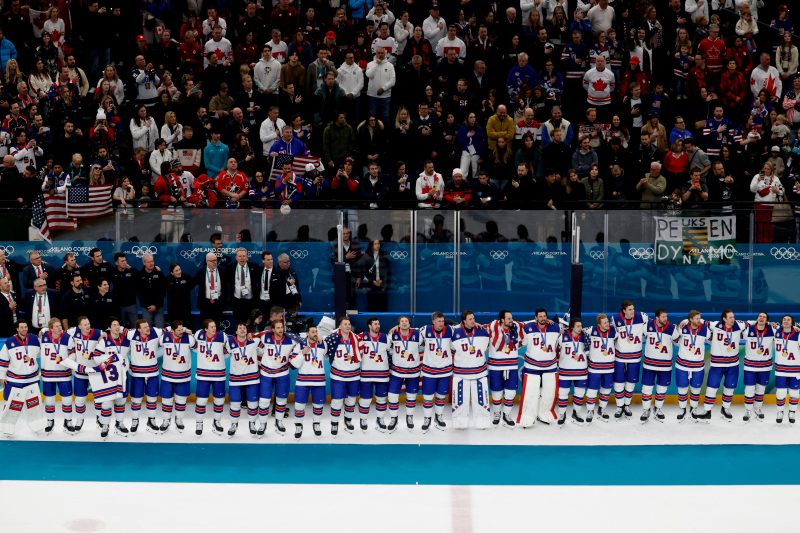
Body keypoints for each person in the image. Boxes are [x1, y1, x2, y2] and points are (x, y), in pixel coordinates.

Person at [695, 310, 748, 421]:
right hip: (717, 363)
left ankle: (725, 409)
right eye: (730, 317)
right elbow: (701, 321)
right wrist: (686, 320)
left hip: (733, 364)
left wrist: (770, 323)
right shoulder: (715, 325)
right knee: (711, 387)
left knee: (729, 387)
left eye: (733, 317)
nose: (733, 319)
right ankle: (707, 411)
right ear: (724, 319)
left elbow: (753, 322)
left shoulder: (739, 325)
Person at [519, 308, 561, 427]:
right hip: (532, 366)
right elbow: (517, 328)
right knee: (530, 393)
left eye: (544, 316)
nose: (543, 318)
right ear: (536, 318)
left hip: (550, 366)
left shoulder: (555, 327)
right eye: (540, 316)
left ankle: (544, 414)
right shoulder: (528, 327)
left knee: (549, 393)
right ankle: (528, 417)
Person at [61, 316, 104, 433]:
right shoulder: (73, 332)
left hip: (95, 373)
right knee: (79, 400)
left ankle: (99, 419)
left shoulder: (98, 333)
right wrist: (44, 331)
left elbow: (109, 334)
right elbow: (59, 332)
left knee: (99, 399)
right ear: (79, 326)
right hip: (80, 373)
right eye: (85, 324)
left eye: (88, 323)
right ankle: (80, 420)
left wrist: (105, 335)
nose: (88, 326)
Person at [451, 310, 491, 429]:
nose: (473, 321)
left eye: (473, 318)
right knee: (460, 400)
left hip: (479, 372)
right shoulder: (455, 332)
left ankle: (483, 421)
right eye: (470, 319)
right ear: (464, 321)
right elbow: (451, 347)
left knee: (481, 400)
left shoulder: (482, 331)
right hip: (461, 373)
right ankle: (459, 422)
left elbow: (487, 345)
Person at [0, 320, 42, 434]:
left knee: (33, 403)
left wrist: (44, 332)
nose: (24, 329)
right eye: (22, 327)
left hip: (32, 378)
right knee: (12, 403)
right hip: (15, 379)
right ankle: (6, 426)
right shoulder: (10, 342)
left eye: (26, 327)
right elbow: (3, 360)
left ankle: (36, 423)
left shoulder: (34, 339)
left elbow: (41, 352)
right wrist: (2, 375)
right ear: (17, 329)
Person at [256, 318, 296, 436]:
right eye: (278, 328)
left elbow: (305, 341)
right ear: (272, 330)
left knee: (281, 400)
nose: (280, 329)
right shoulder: (265, 337)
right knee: (264, 401)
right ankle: (262, 424)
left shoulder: (291, 339)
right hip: (266, 374)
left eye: (282, 327)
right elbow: (253, 338)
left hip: (282, 374)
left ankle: (279, 422)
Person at [639, 308, 680, 423]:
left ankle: (657, 409)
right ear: (657, 318)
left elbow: (678, 342)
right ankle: (646, 410)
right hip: (649, 364)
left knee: (662, 389)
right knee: (646, 389)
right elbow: (640, 337)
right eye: (663, 317)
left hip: (665, 365)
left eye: (666, 316)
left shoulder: (671, 328)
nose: (665, 319)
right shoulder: (647, 325)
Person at [611, 300, 648, 419]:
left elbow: (652, 327)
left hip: (635, 356)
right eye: (630, 309)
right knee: (618, 381)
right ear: (624, 310)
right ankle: (619, 406)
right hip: (620, 355)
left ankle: (626, 405)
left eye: (633, 309)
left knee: (631, 382)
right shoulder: (615, 319)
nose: (633, 311)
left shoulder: (642, 316)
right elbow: (612, 335)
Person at [486, 310, 524, 427]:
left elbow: (531, 323)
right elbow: (476, 327)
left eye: (511, 318)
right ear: (502, 320)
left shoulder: (516, 327)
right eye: (508, 318)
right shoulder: (492, 327)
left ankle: (506, 415)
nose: (511, 320)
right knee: (496, 393)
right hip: (495, 366)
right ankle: (497, 414)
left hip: (512, 366)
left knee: (511, 392)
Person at [324, 316, 361, 436]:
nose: (348, 326)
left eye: (349, 324)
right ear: (339, 326)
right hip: (338, 376)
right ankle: (334, 423)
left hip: (354, 375)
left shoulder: (357, 338)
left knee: (351, 400)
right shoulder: (332, 338)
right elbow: (324, 352)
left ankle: (348, 420)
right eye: (345, 324)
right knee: (337, 401)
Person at [158, 320, 196, 433]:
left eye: (182, 329)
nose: (181, 332)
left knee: (181, 400)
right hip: (167, 376)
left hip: (183, 376)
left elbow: (196, 347)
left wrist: (191, 333)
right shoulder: (164, 338)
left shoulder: (189, 338)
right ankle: (166, 420)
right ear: (172, 330)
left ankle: (179, 419)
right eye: (178, 330)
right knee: (166, 400)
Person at [126, 318, 163, 434]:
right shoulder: (131, 334)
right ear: (138, 329)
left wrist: (185, 330)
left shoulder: (155, 331)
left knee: (152, 398)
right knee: (136, 399)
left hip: (152, 372)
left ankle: (151, 421)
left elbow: (170, 329)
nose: (148, 328)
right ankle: (135, 421)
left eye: (148, 326)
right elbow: (118, 330)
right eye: (145, 327)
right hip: (137, 373)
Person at [291, 323, 328, 438]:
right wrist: (302, 353)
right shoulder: (300, 345)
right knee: (299, 405)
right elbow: (294, 364)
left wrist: (322, 339)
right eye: (312, 332)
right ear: (307, 333)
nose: (315, 334)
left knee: (318, 404)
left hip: (319, 380)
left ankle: (316, 424)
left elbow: (328, 353)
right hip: (303, 380)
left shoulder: (323, 344)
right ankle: (298, 425)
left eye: (316, 332)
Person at [419, 311, 454, 430]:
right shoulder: (425, 330)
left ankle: (438, 417)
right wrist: (396, 327)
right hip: (429, 370)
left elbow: (464, 327)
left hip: (445, 369)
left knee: (441, 396)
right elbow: (409, 331)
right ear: (433, 322)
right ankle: (427, 418)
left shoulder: (450, 330)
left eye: (442, 321)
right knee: (428, 396)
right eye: (439, 321)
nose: (441, 323)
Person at [226, 321, 262, 436]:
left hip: (252, 378)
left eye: (244, 328)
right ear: (236, 331)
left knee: (252, 403)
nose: (242, 330)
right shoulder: (229, 341)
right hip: (236, 379)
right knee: (235, 403)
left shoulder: (255, 341)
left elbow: (266, 338)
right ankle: (233, 424)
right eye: (240, 328)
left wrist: (254, 335)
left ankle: (252, 423)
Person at [675, 310, 712, 421]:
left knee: (696, 388)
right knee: (682, 388)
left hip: (698, 365)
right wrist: (684, 321)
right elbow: (675, 338)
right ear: (690, 319)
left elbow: (712, 340)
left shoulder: (705, 330)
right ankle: (682, 409)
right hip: (682, 364)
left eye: (699, 318)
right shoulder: (682, 327)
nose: (699, 320)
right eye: (696, 318)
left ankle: (693, 409)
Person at [39, 317, 74, 433]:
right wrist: (42, 330)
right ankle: (50, 421)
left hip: (64, 374)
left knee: (67, 400)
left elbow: (73, 353)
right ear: (51, 329)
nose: (60, 328)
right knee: (49, 400)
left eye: (60, 326)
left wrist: (66, 361)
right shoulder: (43, 336)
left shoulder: (67, 338)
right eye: (57, 326)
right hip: (48, 375)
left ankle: (68, 421)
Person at [193, 318, 228, 436]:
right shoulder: (198, 334)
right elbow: (193, 346)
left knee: (219, 400)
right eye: (211, 327)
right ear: (205, 329)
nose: (214, 328)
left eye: (215, 326)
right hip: (203, 374)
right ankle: (199, 423)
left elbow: (229, 351)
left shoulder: (223, 336)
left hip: (219, 374)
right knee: (201, 400)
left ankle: (217, 422)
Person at [584, 313, 618, 422]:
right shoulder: (591, 330)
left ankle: (601, 409)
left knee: (606, 389)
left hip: (609, 367)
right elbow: (578, 331)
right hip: (595, 367)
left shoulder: (613, 331)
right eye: (604, 323)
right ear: (599, 325)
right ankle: (590, 410)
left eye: (607, 322)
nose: (607, 324)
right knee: (592, 390)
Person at [358, 316, 391, 431]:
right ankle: (363, 419)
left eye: (378, 324)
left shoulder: (385, 337)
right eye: (375, 324)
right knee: (365, 399)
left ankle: (380, 419)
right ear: (369, 325)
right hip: (366, 374)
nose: (378, 326)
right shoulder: (362, 336)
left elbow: (392, 350)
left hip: (382, 374)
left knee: (382, 398)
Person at [741, 312, 775, 422]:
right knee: (749, 389)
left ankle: (758, 408)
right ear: (756, 318)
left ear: (767, 320)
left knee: (761, 389)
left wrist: (795, 327)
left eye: (764, 317)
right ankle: (748, 410)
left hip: (765, 366)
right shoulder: (748, 329)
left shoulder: (772, 330)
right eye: (760, 316)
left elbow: (786, 329)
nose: (762, 318)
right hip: (750, 366)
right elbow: (736, 327)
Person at [555, 316, 589, 425]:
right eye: (578, 326)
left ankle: (576, 413)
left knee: (580, 393)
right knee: (563, 393)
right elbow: (555, 349)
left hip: (581, 371)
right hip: (565, 371)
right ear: (572, 327)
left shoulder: (585, 336)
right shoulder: (562, 336)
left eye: (581, 326)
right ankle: (562, 414)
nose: (580, 328)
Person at [774, 315, 800, 424]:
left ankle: (792, 412)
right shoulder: (776, 331)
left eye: (788, 320)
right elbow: (761, 324)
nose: (786, 321)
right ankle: (780, 412)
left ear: (792, 322)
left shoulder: (798, 334)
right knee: (780, 392)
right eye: (784, 319)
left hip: (795, 369)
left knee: (794, 393)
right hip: (780, 369)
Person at [226, 247, 259, 325]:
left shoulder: (254, 267)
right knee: (238, 323)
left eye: (244, 256)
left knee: (250, 323)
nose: (242, 258)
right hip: (236, 301)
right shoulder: (230, 267)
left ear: (247, 257)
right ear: (236, 257)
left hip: (250, 301)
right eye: (240, 256)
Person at [356, 239, 389, 312]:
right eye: (375, 244)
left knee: (383, 306)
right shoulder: (366, 257)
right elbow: (362, 271)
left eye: (378, 244)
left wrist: (382, 281)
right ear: (371, 246)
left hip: (382, 285)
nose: (377, 245)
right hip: (370, 285)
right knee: (371, 306)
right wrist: (372, 281)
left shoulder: (383, 257)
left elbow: (386, 270)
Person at [137, 253, 166, 328]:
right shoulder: (140, 275)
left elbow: (163, 291)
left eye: (152, 261)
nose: (151, 263)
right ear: (144, 263)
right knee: (146, 329)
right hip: (146, 308)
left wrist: (155, 305)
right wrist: (147, 306)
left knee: (160, 329)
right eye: (149, 262)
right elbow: (139, 293)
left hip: (158, 306)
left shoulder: (159, 273)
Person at [196, 252, 225, 327]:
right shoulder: (200, 271)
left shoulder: (222, 270)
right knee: (205, 326)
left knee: (217, 326)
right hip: (205, 304)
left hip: (218, 303)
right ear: (207, 261)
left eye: (215, 260)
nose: (215, 262)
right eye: (212, 261)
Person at [112, 252, 138, 328]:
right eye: (122, 261)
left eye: (125, 260)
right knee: (120, 327)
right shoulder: (113, 272)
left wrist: (130, 268)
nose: (125, 262)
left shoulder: (131, 270)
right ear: (116, 263)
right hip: (118, 305)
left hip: (131, 304)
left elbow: (140, 277)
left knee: (135, 326)